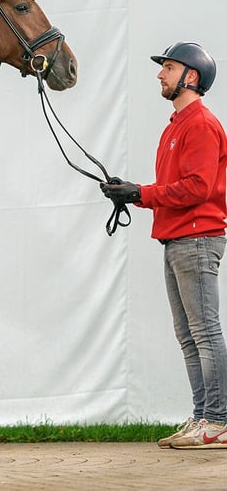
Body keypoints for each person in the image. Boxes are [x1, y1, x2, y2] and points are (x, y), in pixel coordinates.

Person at [101, 42, 227, 449]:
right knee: (190, 336)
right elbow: (176, 187)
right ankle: (204, 418)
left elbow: (197, 188)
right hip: (178, 239)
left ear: (191, 76)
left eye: (168, 68)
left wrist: (141, 193)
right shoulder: (175, 126)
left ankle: (220, 421)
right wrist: (134, 194)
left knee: (204, 333)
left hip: (197, 238)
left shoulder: (201, 125)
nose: (160, 74)